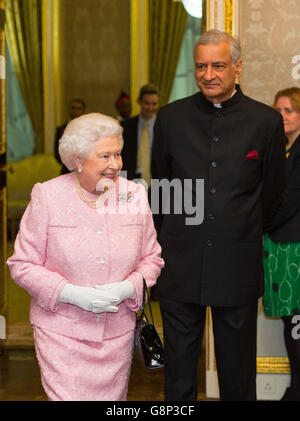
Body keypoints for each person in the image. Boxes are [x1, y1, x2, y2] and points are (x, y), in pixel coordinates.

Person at [151, 29, 286, 401]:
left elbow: (273, 194)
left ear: (238, 67)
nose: (208, 74)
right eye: (200, 66)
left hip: (237, 263)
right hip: (179, 264)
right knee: (178, 373)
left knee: (237, 373)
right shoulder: (171, 119)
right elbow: (162, 192)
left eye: (218, 65)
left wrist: (239, 228)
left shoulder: (265, 122)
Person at [7, 113, 164, 401]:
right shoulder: (48, 196)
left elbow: (152, 258)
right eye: (104, 156)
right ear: (77, 160)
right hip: (61, 332)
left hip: (117, 334)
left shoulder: (134, 195)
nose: (115, 164)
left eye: (117, 154)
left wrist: (128, 287)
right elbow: (21, 264)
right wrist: (70, 294)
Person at [263, 87, 300, 401]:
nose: (282, 116)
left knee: (297, 320)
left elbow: (290, 200)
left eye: (289, 110)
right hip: (281, 247)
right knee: (291, 321)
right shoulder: (281, 149)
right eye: (278, 110)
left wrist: (259, 223)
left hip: (295, 249)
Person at [121, 83, 160, 185]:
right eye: (147, 103)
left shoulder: (164, 126)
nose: (151, 108)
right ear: (139, 102)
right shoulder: (125, 126)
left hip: (157, 182)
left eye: (154, 104)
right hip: (131, 180)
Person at [54, 98, 86, 174]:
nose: (75, 111)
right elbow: (57, 153)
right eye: (73, 108)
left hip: (84, 171)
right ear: (69, 110)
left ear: (83, 111)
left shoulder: (88, 129)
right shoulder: (61, 129)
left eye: (78, 109)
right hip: (66, 171)